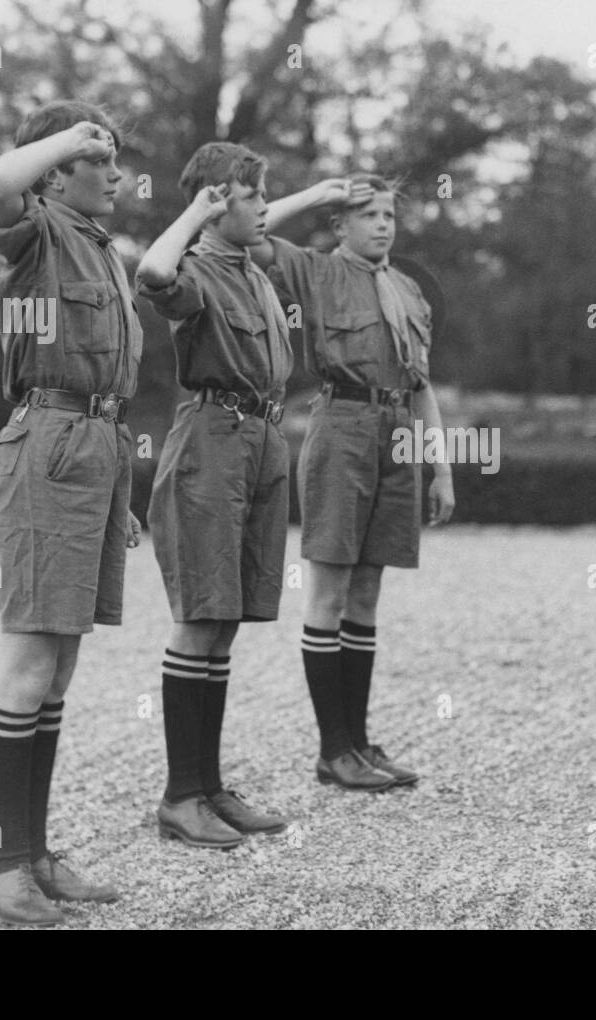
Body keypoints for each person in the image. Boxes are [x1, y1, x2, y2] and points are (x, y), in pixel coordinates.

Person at [0, 100, 143, 924]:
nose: (116, 173)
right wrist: (70, 135)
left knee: (60, 665)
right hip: (47, 443)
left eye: (111, 159)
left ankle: (33, 853)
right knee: (30, 659)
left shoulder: (101, 247)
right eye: (101, 159)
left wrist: (121, 496)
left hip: (96, 447)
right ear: (58, 166)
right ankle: (0, 864)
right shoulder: (30, 226)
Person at [250, 174, 454, 791]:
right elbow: (251, 230)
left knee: (366, 595)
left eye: (389, 214)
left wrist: (439, 466)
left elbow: (421, 386)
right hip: (341, 427)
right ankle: (332, 748)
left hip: (397, 433)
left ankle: (360, 743)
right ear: (341, 225)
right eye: (367, 214)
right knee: (329, 593)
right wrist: (316, 194)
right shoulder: (316, 272)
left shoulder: (408, 290)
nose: (383, 224)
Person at [136, 142, 292, 847]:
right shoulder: (196, 270)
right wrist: (198, 209)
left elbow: (258, 223)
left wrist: (304, 196)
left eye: (262, 194)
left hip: (259, 439)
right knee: (200, 615)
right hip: (212, 439)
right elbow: (152, 273)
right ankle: (179, 796)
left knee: (225, 618)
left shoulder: (248, 266)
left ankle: (207, 786)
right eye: (251, 195)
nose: (263, 206)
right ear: (216, 205)